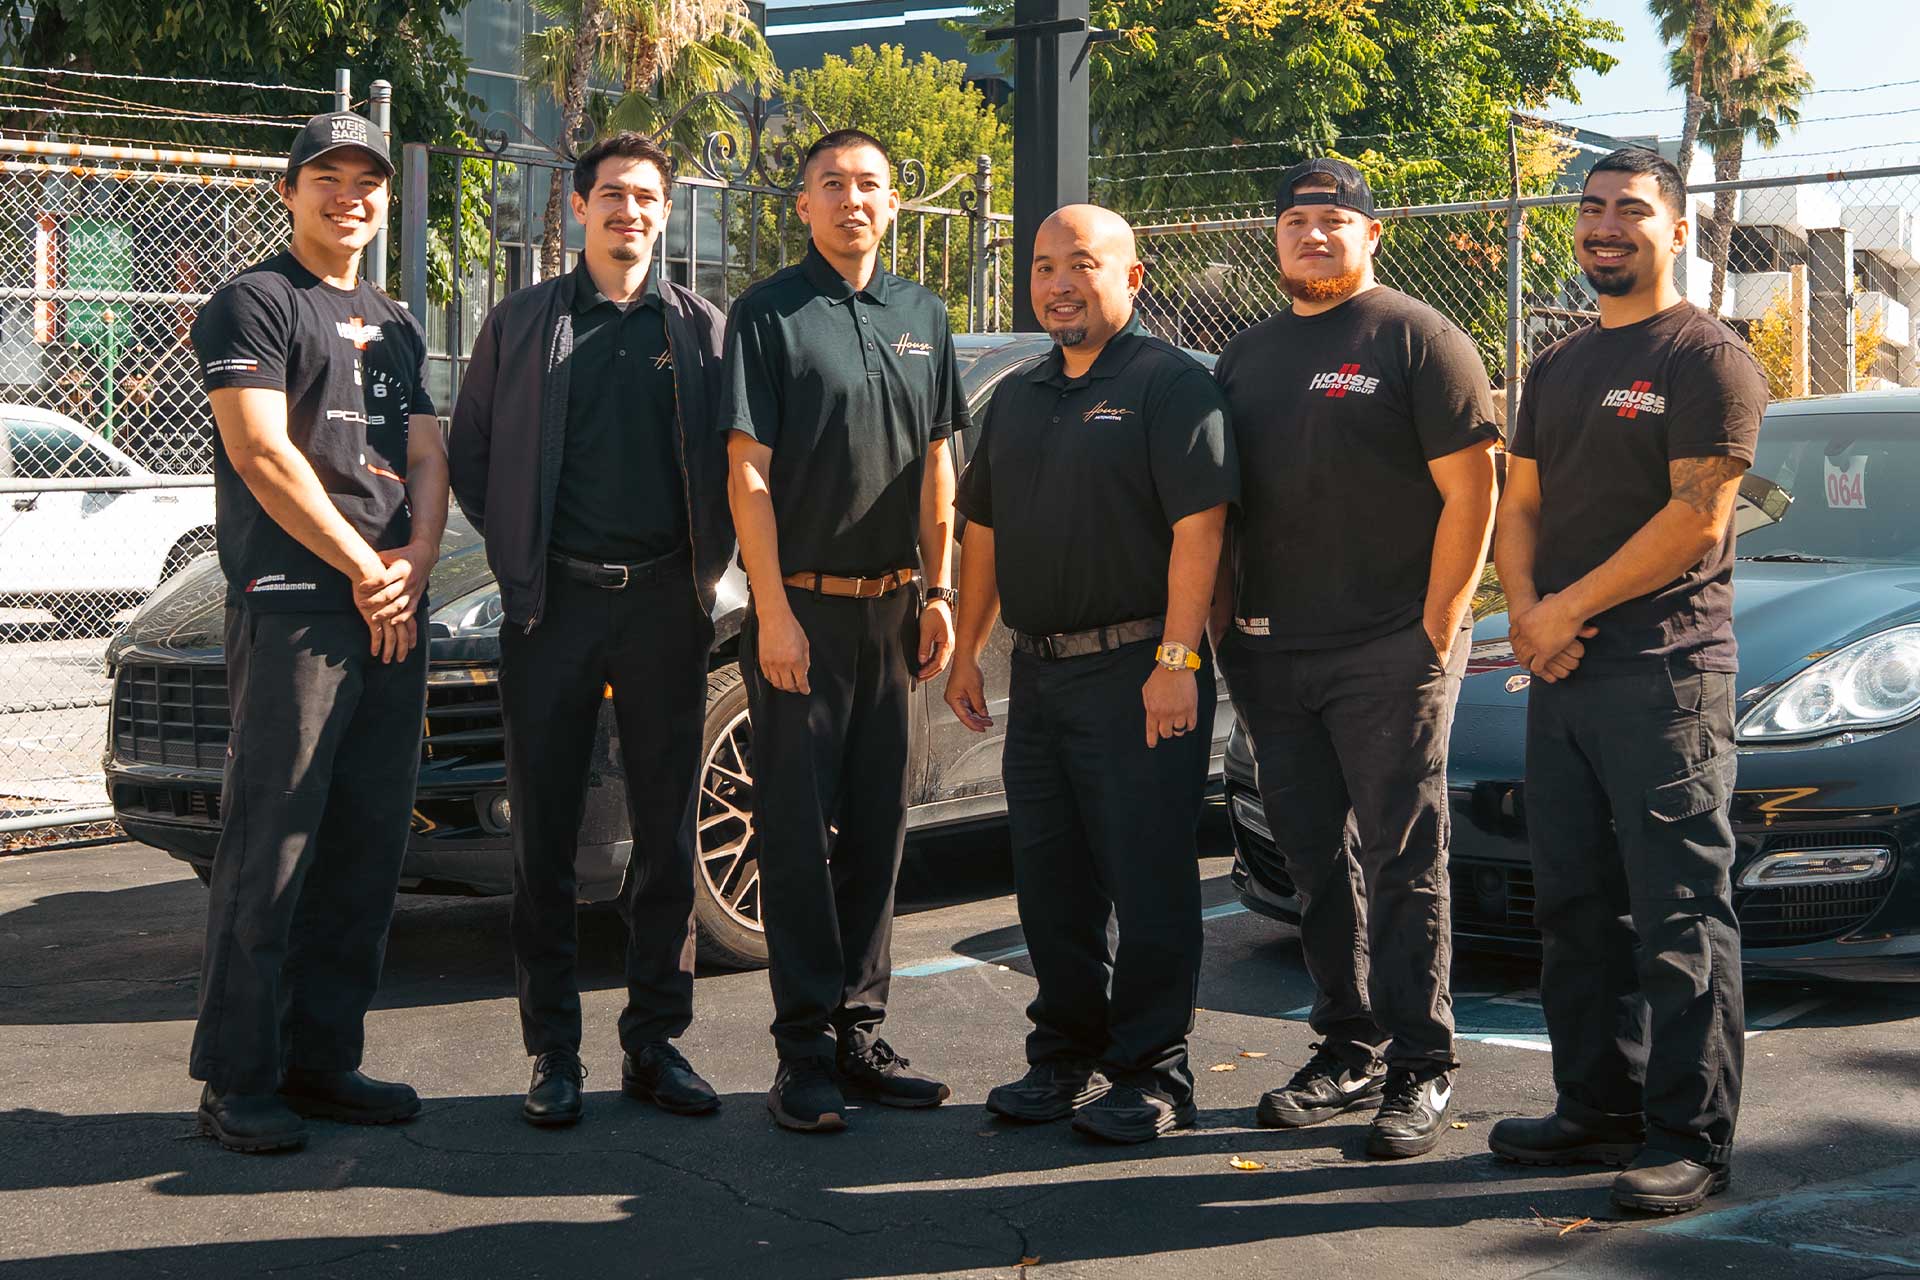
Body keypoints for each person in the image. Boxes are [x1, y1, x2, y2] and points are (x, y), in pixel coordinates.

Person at [1487, 147, 1766, 1215]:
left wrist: (1563, 610)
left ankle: (1690, 1137)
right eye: (1593, 207)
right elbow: (1519, 505)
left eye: (1633, 210)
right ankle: (1595, 1107)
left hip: (1666, 677)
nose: (1607, 225)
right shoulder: (1558, 364)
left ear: (1677, 228)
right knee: (1575, 903)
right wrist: (1526, 614)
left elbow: (1696, 518)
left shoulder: (1708, 357)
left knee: (1678, 910)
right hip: (1560, 674)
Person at [1213, 158, 1499, 1159]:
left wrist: (1437, 625)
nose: (1315, 234)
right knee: (1312, 861)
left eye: (1335, 220)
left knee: (1402, 855)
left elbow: (1474, 492)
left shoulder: (1419, 339)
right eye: (1297, 221)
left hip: (1390, 647)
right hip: (1269, 652)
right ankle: (1349, 1046)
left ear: (1372, 234)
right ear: (1275, 238)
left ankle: (1423, 1061)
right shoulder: (1245, 356)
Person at [449, 132, 732, 1128]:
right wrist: (522, 553)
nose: (629, 211)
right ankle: (553, 1051)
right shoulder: (523, 322)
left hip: (664, 604)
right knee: (547, 835)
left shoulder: (702, 331)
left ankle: (655, 1041)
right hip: (552, 607)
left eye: (646, 196)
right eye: (612, 194)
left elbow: (735, 463)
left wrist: (702, 570)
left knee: (666, 832)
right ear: (579, 207)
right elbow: (473, 458)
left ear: (665, 210)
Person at [945, 205, 1237, 1143]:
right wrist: (966, 651)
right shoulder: (1022, 394)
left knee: (1149, 882)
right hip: (1039, 678)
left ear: (1132, 277)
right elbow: (983, 532)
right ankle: (1064, 1057)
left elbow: (1201, 530)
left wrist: (1177, 660)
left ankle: (1154, 1074)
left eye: (1081, 264)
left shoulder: (1170, 386)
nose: (1059, 283)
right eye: (1043, 267)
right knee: (1052, 884)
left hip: (1139, 672)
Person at [186, 111, 447, 1153]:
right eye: (327, 177)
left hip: (388, 608)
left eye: (367, 180)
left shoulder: (396, 320)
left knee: (366, 844)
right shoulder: (253, 302)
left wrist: (416, 559)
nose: (350, 196)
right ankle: (238, 1077)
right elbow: (261, 454)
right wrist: (361, 566)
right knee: (274, 843)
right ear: (289, 192)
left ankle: (323, 1060)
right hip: (298, 604)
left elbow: (425, 454)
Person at [721, 129, 964, 1133]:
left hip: (896, 611)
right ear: (804, 205)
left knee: (877, 830)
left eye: (869, 184)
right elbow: (747, 473)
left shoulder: (924, 314)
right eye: (832, 184)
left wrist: (941, 591)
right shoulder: (767, 313)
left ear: (894, 203)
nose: (852, 199)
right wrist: (773, 610)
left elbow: (939, 463)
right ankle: (802, 1052)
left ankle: (862, 1034)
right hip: (802, 613)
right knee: (793, 832)